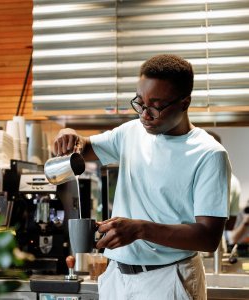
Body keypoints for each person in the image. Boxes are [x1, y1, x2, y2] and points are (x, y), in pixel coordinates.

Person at [54, 54, 231, 299]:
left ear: (184, 102)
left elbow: (208, 237)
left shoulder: (209, 154)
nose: (144, 115)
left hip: (169, 278)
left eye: (155, 106)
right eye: (139, 103)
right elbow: (84, 148)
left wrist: (140, 230)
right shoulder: (131, 132)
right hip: (117, 276)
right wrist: (70, 134)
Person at [206, 131, 241, 231]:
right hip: (217, 239)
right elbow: (231, 223)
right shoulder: (233, 181)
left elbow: (231, 222)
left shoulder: (232, 181)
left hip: (212, 240)